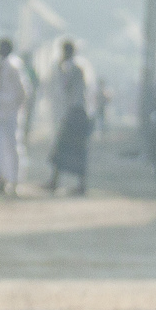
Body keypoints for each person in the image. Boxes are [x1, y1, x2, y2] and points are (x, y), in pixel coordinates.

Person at [46, 39, 94, 196]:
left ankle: (59, 182)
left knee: (66, 147)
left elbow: (65, 87)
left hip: (76, 112)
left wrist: (60, 68)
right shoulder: (79, 66)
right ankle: (61, 182)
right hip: (79, 112)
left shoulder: (74, 68)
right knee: (70, 148)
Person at [0, 38, 30, 195]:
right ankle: (0, 180)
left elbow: (24, 90)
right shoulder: (1, 64)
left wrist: (16, 107)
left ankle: (14, 180)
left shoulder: (13, 64)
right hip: (1, 112)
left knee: (12, 146)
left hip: (11, 112)